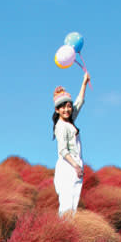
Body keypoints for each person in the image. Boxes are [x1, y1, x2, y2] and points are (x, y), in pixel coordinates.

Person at [52, 73, 90, 216]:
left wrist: (84, 82)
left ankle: (67, 231)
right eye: (62, 107)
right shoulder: (61, 126)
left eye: (68, 106)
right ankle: (63, 233)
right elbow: (62, 150)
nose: (66, 110)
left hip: (75, 166)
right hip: (68, 166)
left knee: (73, 203)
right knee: (67, 204)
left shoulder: (69, 120)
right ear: (57, 110)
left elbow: (79, 103)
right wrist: (75, 166)